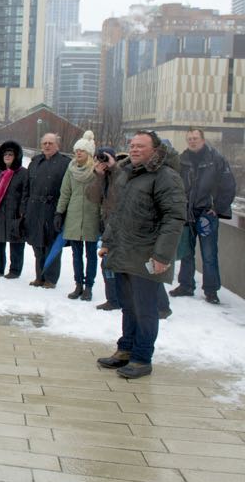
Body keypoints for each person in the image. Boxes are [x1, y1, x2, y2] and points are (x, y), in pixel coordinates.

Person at [97, 131, 186, 379]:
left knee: (145, 308)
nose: (134, 150)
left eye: (141, 146)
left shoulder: (166, 177)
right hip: (124, 250)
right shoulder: (128, 175)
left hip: (147, 254)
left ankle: (142, 357)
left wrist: (162, 256)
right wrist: (108, 241)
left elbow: (174, 218)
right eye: (132, 145)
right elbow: (118, 212)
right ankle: (126, 349)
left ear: (155, 150)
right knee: (128, 305)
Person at [170, 128, 237, 304]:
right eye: (189, 138)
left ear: (203, 139)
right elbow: (174, 184)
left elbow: (229, 185)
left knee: (209, 254)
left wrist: (218, 207)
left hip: (207, 213)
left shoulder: (216, 159)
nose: (192, 141)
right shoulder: (182, 159)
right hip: (186, 212)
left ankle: (211, 290)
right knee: (186, 251)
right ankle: (185, 285)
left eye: (195, 138)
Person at [56, 131, 102, 301]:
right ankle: (78, 284)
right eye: (76, 150)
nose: (78, 153)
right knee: (76, 253)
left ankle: (89, 286)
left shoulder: (97, 170)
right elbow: (65, 192)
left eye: (82, 150)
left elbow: (103, 194)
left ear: (89, 153)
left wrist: (103, 217)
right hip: (74, 216)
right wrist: (59, 212)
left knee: (91, 253)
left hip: (92, 216)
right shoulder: (71, 169)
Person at [22, 133, 70, 288]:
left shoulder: (65, 163)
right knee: (37, 244)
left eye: (50, 143)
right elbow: (26, 188)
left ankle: (50, 278)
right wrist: (24, 207)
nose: (47, 146)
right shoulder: (35, 162)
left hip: (53, 208)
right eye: (44, 143)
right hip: (34, 208)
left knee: (51, 244)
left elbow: (68, 190)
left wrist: (61, 212)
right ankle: (39, 276)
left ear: (57, 145)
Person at [0, 141, 26, 279]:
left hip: (15, 213)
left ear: (16, 156)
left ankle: (15, 270)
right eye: (5, 154)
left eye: (11, 154)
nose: (8, 156)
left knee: (16, 243)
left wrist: (22, 212)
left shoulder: (22, 173)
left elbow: (25, 194)